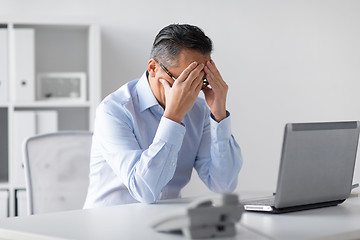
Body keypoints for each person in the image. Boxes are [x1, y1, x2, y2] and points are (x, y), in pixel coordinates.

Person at [83, 24, 242, 208]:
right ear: (153, 68)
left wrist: (219, 114)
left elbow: (223, 185)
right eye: (184, 80)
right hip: (109, 224)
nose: (193, 89)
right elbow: (143, 190)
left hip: (166, 222)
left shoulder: (200, 111)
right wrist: (173, 117)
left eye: (200, 79)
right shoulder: (114, 110)